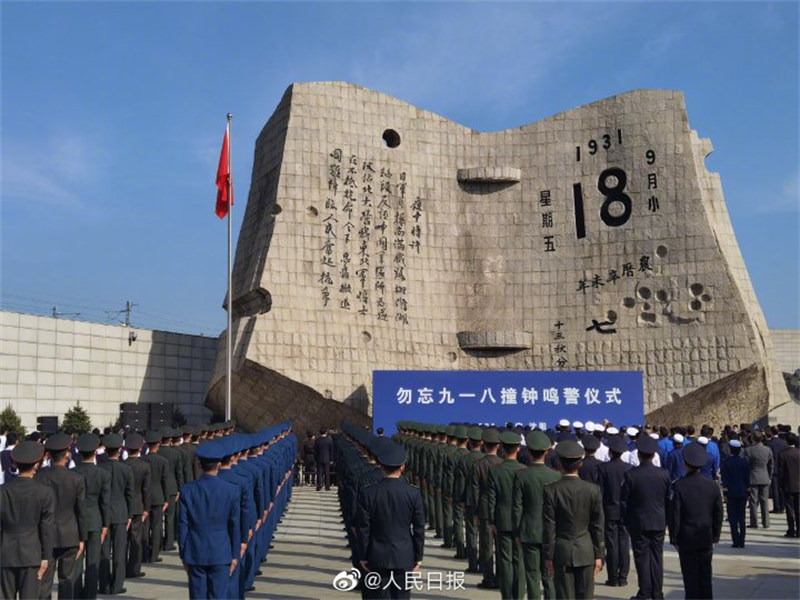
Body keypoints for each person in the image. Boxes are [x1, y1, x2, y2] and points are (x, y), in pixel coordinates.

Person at [355, 440, 424, 600]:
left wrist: (363, 555)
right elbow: (419, 528)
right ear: (402, 467)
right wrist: (418, 556)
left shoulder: (369, 493)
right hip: (404, 555)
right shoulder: (413, 494)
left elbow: (363, 528)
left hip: (377, 555)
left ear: (381, 466)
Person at [542, 440, 604, 600]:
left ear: (560, 464)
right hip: (586, 551)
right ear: (580, 464)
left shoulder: (551, 490)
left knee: (564, 596)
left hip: (561, 552)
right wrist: (600, 554)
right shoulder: (593, 490)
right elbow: (597, 526)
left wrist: (548, 556)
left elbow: (549, 526)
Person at [179, 441, 241, 599]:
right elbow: (234, 525)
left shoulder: (188, 490)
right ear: (219, 465)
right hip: (221, 551)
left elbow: (183, 525)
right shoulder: (231, 491)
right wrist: (235, 555)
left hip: (195, 550)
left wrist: (183, 554)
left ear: (199, 465)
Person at [0, 440, 55, 600]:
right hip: (32, 552)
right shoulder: (45, 492)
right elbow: (46, 528)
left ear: (15, 463)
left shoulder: (3, 491)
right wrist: (46, 557)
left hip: (6, 552)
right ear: (37, 464)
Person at [34, 432, 86, 600]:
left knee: (44, 580)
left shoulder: (39, 477)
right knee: (67, 579)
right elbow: (81, 511)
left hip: (44, 535)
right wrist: (82, 537)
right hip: (69, 533)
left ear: (48, 454)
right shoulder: (76, 478)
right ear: (68, 453)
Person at [669, 442, 723, 599]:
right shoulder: (712, 486)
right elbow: (718, 513)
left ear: (685, 463)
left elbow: (675, 515)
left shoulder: (678, 486)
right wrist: (715, 537)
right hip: (706, 537)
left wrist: (674, 539)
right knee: (705, 576)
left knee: (690, 578)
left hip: (686, 539)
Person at [512, 430, 561, 600]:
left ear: (529, 452)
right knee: (550, 575)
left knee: (532, 575)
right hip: (551, 532)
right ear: (547, 451)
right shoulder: (556, 476)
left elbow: (517, 507)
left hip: (529, 530)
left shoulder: (521, 475)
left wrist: (517, 531)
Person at [621, 435, 670, 600]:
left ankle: (644, 592)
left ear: (639, 455)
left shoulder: (631, 475)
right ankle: (657, 593)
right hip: (658, 521)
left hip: (638, 522)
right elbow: (667, 499)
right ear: (654, 455)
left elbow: (624, 502)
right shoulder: (664, 474)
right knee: (657, 558)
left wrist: (625, 522)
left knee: (641, 558)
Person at [488, 430, 527, 600]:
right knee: (519, 561)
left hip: (502, 520)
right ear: (518, 448)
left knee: (505, 561)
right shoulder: (525, 470)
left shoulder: (495, 471)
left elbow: (492, 499)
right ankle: (518, 595)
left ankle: (507, 596)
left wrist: (491, 521)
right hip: (521, 522)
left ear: (502, 448)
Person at [72, 433, 111, 600]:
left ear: (78, 452)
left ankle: (75, 593)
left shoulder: (72, 473)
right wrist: (105, 525)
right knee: (93, 561)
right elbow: (105, 502)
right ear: (96, 451)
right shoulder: (102, 474)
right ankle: (90, 595)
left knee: (76, 561)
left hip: (75, 521)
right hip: (95, 520)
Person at [97, 433, 133, 596]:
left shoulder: (99, 469)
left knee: (104, 551)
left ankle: (103, 584)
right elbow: (130, 495)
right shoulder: (126, 469)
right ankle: (117, 584)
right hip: (120, 513)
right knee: (119, 550)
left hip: (102, 514)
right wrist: (130, 515)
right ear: (119, 450)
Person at [597, 436, 632, 588]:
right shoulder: (629, 468)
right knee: (624, 543)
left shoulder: (603, 468)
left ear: (610, 452)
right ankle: (623, 576)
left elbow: (601, 492)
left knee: (611, 544)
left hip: (609, 510)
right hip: (625, 512)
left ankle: (612, 577)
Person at [474, 428, 502, 589]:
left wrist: (476, 510)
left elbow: (474, 488)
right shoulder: (502, 464)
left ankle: (488, 578)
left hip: (484, 508)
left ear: (483, 444)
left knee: (486, 545)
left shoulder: (478, 465)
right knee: (500, 545)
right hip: (500, 508)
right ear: (498, 445)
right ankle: (500, 577)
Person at [123, 433, 151, 579]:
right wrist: (147, 508)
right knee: (136, 539)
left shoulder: (122, 465)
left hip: (123, 507)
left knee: (122, 541)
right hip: (138, 505)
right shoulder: (145, 466)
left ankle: (121, 569)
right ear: (140, 448)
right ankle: (134, 569)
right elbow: (146, 490)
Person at [141, 430, 170, 564]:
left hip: (144, 497)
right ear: (158, 444)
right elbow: (165, 481)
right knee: (157, 526)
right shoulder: (163, 461)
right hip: (158, 496)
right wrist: (166, 498)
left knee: (145, 527)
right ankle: (154, 555)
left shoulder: (142, 460)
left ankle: (144, 554)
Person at [720, 439, 750, 548]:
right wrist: (748, 492)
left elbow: (725, 480)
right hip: (742, 492)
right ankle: (742, 541)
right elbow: (747, 479)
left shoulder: (727, 463)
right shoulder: (744, 462)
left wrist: (725, 494)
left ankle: (735, 540)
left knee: (733, 518)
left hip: (731, 493)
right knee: (742, 518)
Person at [744, 432, 772, 529]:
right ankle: (766, 522)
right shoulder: (767, 450)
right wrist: (769, 476)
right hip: (764, 476)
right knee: (764, 501)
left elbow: (746, 466)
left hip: (753, 476)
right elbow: (771, 465)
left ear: (753, 439)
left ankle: (754, 522)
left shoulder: (748, 450)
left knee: (753, 501)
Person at [778, 433, 800, 537]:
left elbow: (781, 472)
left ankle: (791, 529)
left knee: (790, 508)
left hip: (788, 485)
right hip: (799, 485)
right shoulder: (798, 453)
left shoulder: (782, 454)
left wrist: (780, 484)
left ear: (787, 441)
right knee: (798, 508)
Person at [315, 427, 333, 491]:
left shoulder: (317, 441)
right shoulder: (329, 440)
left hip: (319, 458)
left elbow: (315, 451)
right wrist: (331, 459)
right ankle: (327, 486)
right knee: (327, 473)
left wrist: (316, 458)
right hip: (327, 458)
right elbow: (331, 450)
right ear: (326, 432)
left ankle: (319, 486)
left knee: (319, 473)